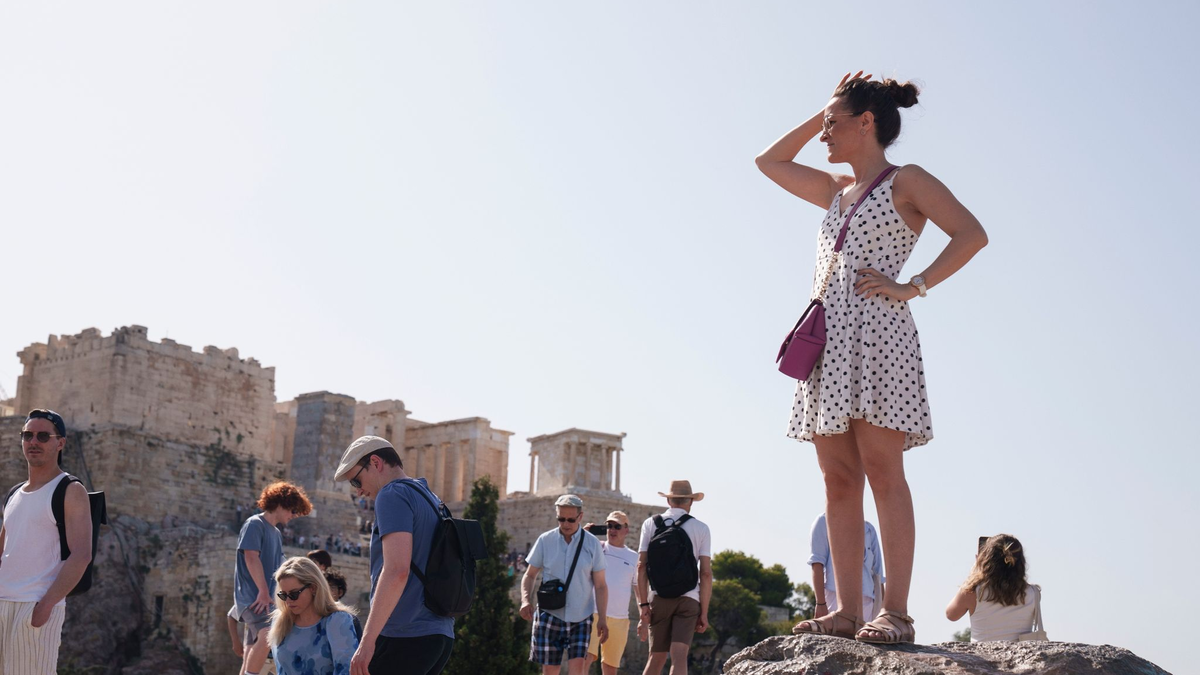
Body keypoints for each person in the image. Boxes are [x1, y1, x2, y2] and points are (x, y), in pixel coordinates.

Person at [756, 72, 989, 643]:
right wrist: (824, 109)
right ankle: (845, 611)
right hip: (828, 342)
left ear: (867, 123)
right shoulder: (835, 188)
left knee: (885, 472)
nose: (823, 135)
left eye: (834, 124)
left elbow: (971, 233)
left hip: (880, 337)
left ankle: (897, 613)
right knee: (837, 479)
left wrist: (915, 286)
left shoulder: (906, 179)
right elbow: (768, 161)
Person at [334, 435, 454, 675]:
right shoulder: (430, 497)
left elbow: (397, 571)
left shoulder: (392, 495)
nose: (359, 492)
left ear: (376, 463)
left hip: (404, 634)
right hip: (440, 634)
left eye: (356, 481)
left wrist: (367, 642)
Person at [0, 409, 93, 674]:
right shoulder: (14, 493)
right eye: (27, 435)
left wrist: (47, 605)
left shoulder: (70, 490)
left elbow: (82, 555)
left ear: (60, 443)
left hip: (35, 608)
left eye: (43, 436)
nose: (34, 442)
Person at [519, 494, 608, 675]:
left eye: (570, 519)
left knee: (577, 670)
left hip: (581, 617)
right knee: (550, 671)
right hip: (550, 614)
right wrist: (525, 600)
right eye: (561, 519)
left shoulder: (592, 544)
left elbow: (600, 586)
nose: (565, 524)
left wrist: (603, 619)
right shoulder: (545, 540)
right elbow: (530, 575)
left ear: (580, 517)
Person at [235, 481, 313, 675]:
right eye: (293, 510)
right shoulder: (255, 524)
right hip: (254, 598)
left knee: (253, 647)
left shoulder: (276, 533)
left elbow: (280, 566)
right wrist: (262, 591)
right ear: (281, 503)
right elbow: (251, 557)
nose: (293, 515)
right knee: (268, 635)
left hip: (265, 599)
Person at [635, 481, 712, 675]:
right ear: (691, 502)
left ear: (669, 500)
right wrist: (704, 612)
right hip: (688, 599)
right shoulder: (701, 528)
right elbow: (705, 573)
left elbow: (641, 566)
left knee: (656, 657)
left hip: (659, 596)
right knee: (679, 656)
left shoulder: (651, 523)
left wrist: (644, 605)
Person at [269, 556, 359, 674]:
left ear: (313, 588)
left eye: (294, 594)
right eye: (283, 595)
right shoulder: (279, 620)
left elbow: (347, 670)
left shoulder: (337, 620)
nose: (288, 601)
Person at [945, 534, 1041, 641]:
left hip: (982, 656)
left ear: (986, 560)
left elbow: (951, 615)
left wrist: (974, 575)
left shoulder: (973, 591)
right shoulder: (1033, 593)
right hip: (1021, 656)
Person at [799, 513, 884, 626]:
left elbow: (878, 576)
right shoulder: (823, 521)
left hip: (868, 602)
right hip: (834, 597)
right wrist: (820, 603)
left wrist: (882, 613)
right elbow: (817, 563)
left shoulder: (869, 529)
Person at [584, 511, 640, 675]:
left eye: (617, 526)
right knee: (585, 659)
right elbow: (573, 549)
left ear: (626, 530)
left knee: (610, 667)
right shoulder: (597, 547)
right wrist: (584, 534)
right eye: (609, 526)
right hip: (592, 612)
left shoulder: (633, 557)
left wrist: (644, 613)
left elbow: (637, 587)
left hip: (619, 618)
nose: (612, 530)